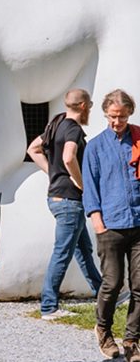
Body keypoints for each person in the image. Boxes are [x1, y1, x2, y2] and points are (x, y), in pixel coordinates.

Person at [26, 89, 103, 319]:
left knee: (83, 250)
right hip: (70, 200)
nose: (89, 109)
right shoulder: (73, 129)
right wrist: (82, 185)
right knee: (62, 253)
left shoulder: (56, 123)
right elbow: (69, 157)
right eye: (89, 105)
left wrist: (54, 173)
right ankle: (49, 306)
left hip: (58, 197)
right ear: (83, 106)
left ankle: (104, 295)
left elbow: (33, 148)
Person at [83, 89, 140, 362]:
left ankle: (131, 340)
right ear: (105, 114)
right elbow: (89, 185)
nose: (117, 121)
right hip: (110, 224)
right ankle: (103, 330)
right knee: (112, 283)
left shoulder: (139, 140)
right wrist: (96, 219)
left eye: (122, 116)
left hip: (138, 222)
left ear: (130, 113)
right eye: (113, 116)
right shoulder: (95, 146)